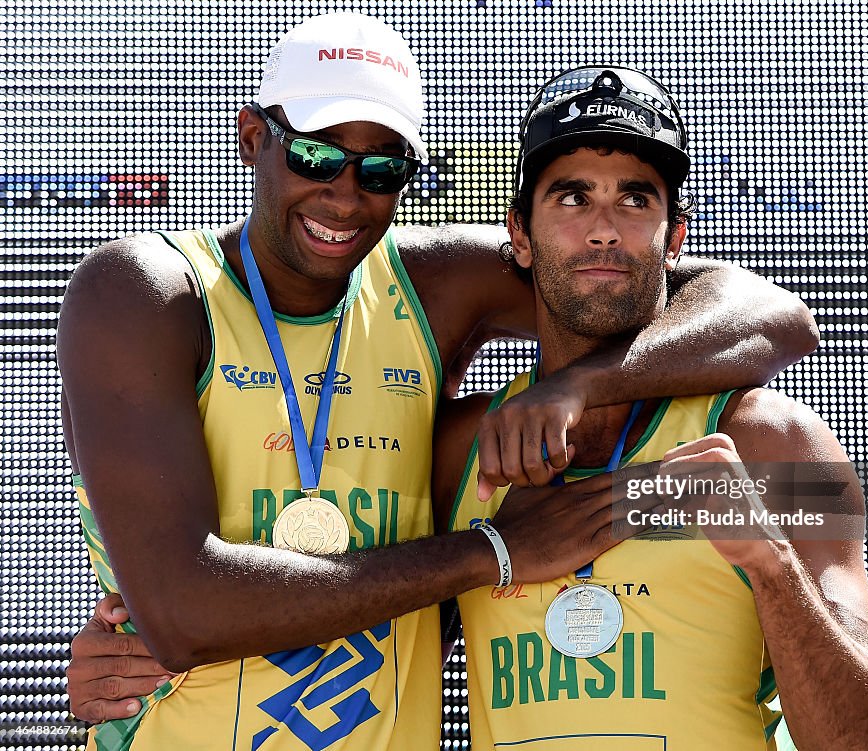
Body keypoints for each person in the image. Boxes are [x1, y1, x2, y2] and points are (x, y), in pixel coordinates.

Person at [58, 13, 816, 751]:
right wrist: (496, 550)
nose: (347, 194)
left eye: (384, 169)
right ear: (254, 138)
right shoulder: (148, 290)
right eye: (317, 157)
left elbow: (769, 312)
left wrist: (578, 386)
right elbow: (185, 611)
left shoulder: (427, 284)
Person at [434, 67, 868, 750]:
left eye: (635, 199)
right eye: (572, 197)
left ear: (675, 236)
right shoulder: (460, 448)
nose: (603, 229)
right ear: (521, 234)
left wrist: (772, 567)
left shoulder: (774, 439)